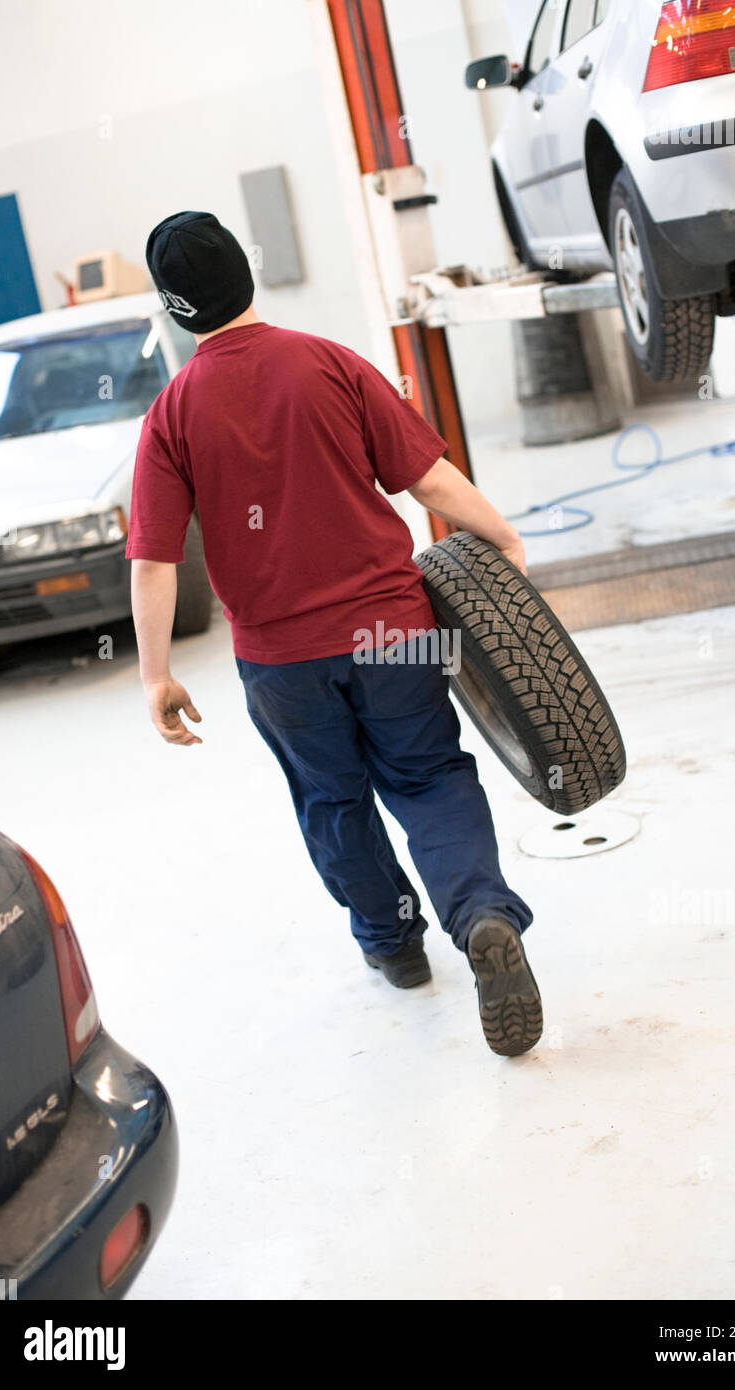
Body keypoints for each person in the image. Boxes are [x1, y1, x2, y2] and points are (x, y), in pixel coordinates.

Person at [127, 210, 542, 1057]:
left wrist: (155, 675)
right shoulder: (331, 363)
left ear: (175, 310)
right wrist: (499, 534)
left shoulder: (171, 414)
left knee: (334, 799)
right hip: (396, 633)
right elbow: (427, 477)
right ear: (249, 273)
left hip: (280, 663)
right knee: (428, 778)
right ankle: (485, 916)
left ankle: (395, 947)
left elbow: (154, 562)